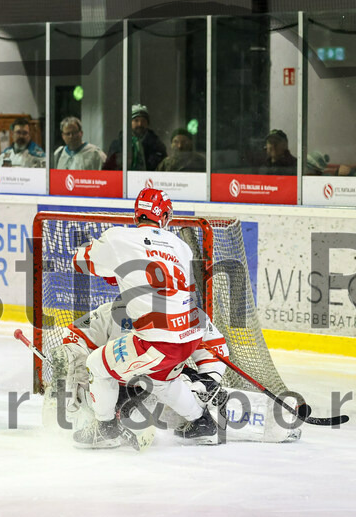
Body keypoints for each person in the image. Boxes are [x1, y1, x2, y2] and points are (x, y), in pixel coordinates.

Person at [69, 188, 217, 447]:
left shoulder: (118, 238)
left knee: (96, 365)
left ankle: (104, 430)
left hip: (159, 339)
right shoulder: (181, 246)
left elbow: (79, 262)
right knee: (162, 381)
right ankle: (202, 421)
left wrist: (110, 264)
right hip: (192, 333)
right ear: (164, 216)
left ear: (137, 213)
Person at [50, 298, 301, 444]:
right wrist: (79, 364)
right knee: (100, 382)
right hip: (123, 384)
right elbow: (74, 334)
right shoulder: (112, 311)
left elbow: (214, 345)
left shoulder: (185, 313)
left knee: (188, 388)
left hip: (167, 377)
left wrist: (210, 379)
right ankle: (111, 423)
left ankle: (262, 421)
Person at [103, 104, 167, 171]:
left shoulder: (157, 145)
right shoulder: (118, 145)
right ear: (129, 123)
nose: (140, 124)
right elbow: (109, 170)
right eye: (136, 120)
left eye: (143, 121)